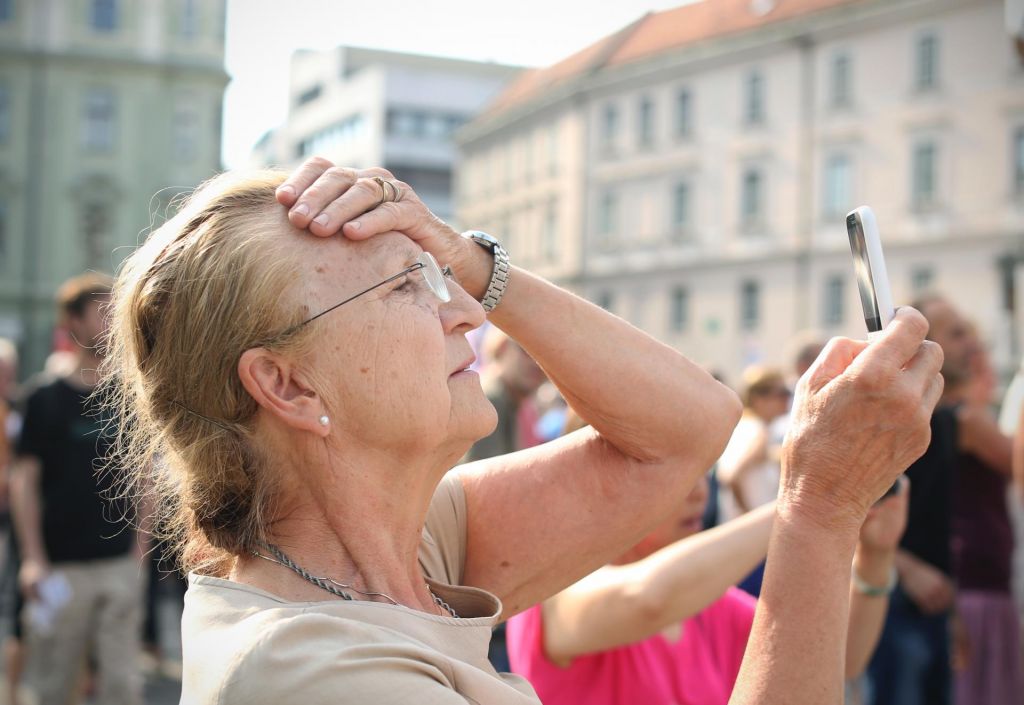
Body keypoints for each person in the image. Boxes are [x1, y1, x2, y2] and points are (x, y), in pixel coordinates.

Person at [100, 159, 942, 704]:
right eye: (404, 288)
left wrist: (464, 254)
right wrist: (822, 505)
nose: (464, 312)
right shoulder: (313, 672)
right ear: (284, 383)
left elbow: (692, 428)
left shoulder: (401, 548)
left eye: (440, 279)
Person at [507, 414, 908, 705]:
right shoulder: (556, 588)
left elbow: (836, 661)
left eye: (703, 469)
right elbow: (647, 599)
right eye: (671, 470)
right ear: (597, 482)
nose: (700, 491)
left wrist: (875, 557)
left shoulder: (713, 603)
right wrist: (806, 499)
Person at [8, 274, 144, 705]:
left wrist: (139, 553)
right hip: (60, 568)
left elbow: (146, 478)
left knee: (123, 686)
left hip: (119, 564)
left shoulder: (129, 394)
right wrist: (32, 560)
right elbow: (24, 482)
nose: (112, 323)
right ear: (73, 320)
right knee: (54, 686)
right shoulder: (43, 398)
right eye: (103, 313)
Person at [867, 294, 967, 705]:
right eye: (957, 334)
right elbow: (859, 509)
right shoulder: (894, 422)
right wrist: (906, 570)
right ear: (927, 345)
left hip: (933, 603)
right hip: (892, 601)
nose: (969, 345)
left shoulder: (944, 420)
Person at [944, 323, 1020, 704]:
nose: (972, 343)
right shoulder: (965, 417)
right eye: (957, 333)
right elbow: (1015, 462)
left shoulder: (963, 414)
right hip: (975, 583)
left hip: (980, 577)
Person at [716, 365, 790, 596]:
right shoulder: (757, 431)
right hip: (752, 544)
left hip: (742, 540)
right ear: (760, 398)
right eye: (782, 393)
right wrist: (750, 516)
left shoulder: (746, 428)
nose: (787, 399)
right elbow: (731, 476)